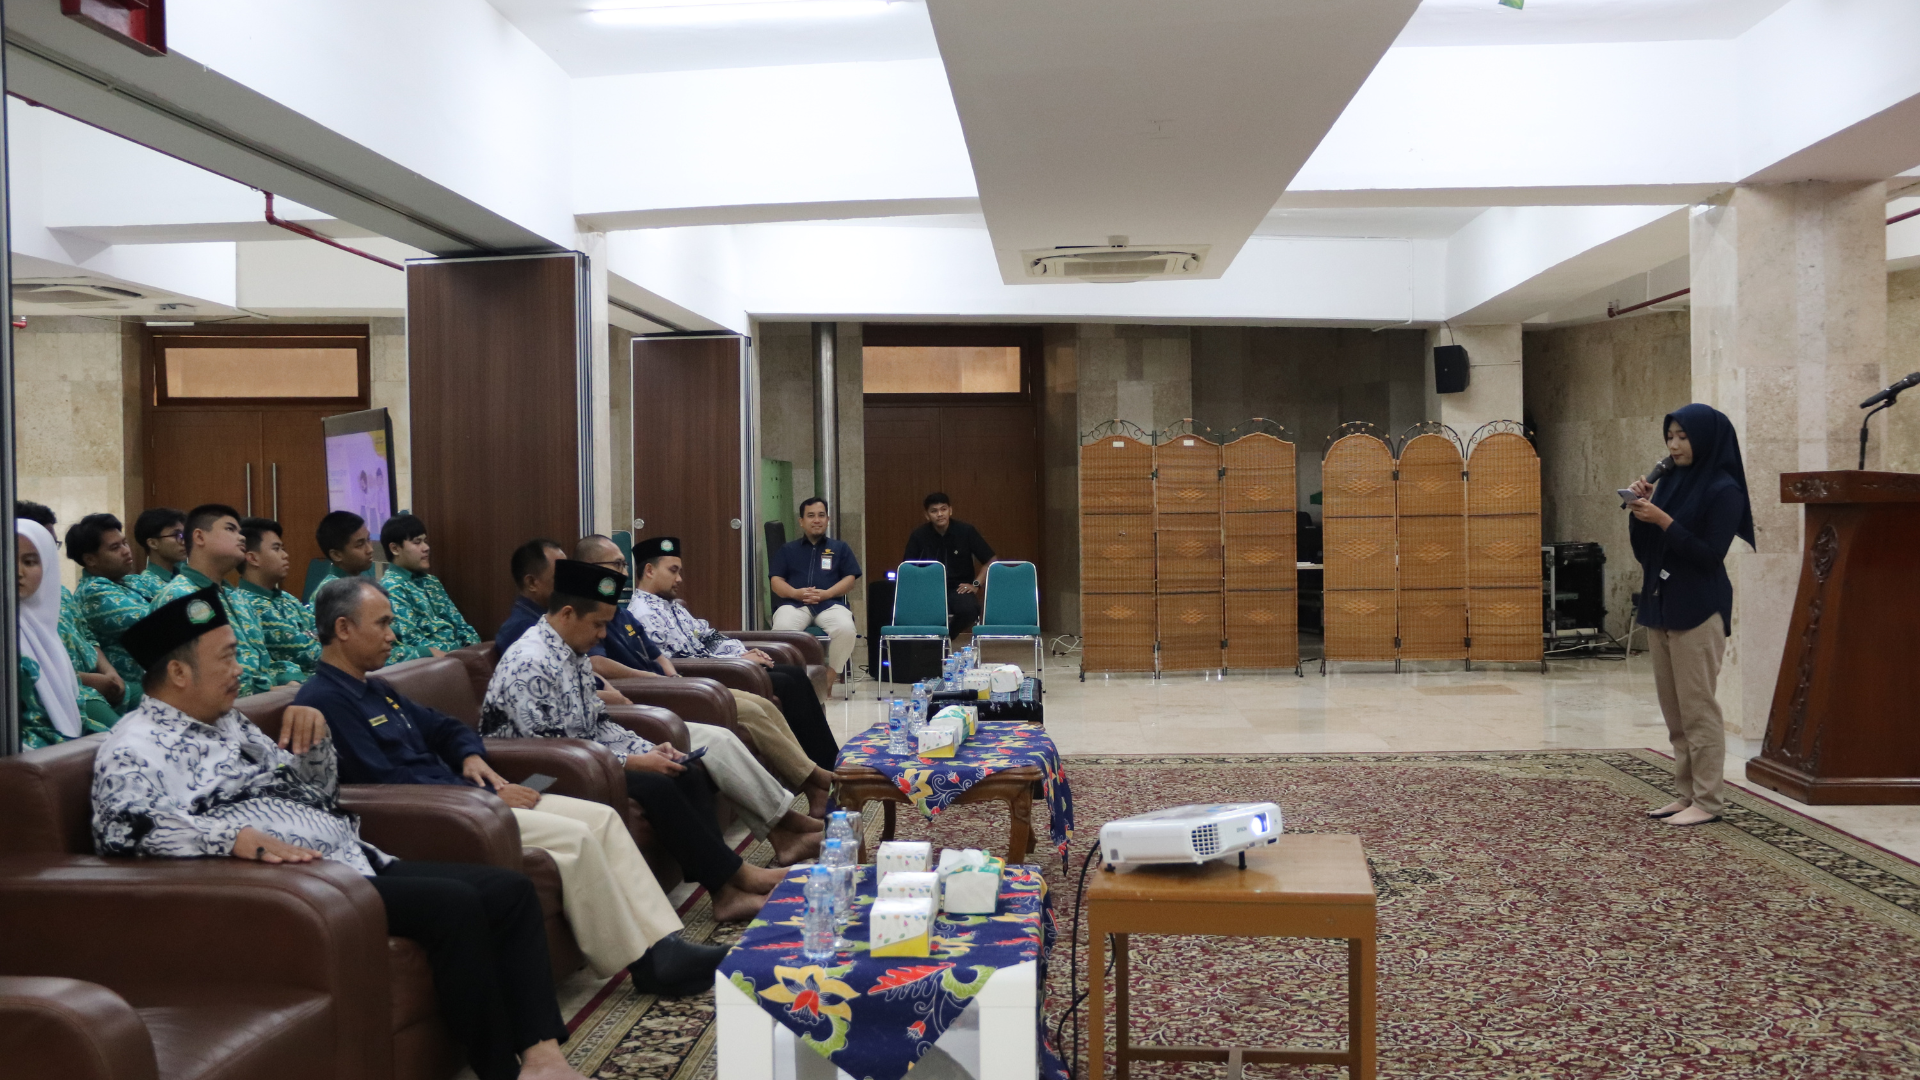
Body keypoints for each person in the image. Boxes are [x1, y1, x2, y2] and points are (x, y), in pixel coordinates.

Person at [92, 588, 588, 1080]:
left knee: (510, 891)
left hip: (351, 856)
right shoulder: (133, 746)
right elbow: (122, 826)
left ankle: (543, 1057)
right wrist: (229, 839)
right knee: (455, 906)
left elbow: (316, 794)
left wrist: (315, 744)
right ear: (179, 673)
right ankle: (499, 1071)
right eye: (227, 657)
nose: (240, 669)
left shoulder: (231, 724)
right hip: (298, 886)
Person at [298, 577, 726, 995]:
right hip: (447, 814)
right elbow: (388, 782)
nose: (393, 635)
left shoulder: (376, 688)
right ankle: (647, 963)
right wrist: (487, 797)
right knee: (578, 837)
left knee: (604, 819)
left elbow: (446, 727)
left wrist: (469, 755)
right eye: (383, 623)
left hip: (468, 796)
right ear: (343, 628)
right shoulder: (325, 701)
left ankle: (664, 943)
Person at [480, 560, 813, 920]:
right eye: (598, 624)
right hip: (535, 775)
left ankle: (727, 889)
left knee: (684, 769)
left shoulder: (569, 651)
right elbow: (550, 751)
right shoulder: (531, 662)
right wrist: (635, 763)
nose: (603, 636)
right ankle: (736, 879)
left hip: (580, 758)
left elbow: (598, 724)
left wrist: (649, 749)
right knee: (657, 785)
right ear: (567, 614)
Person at [573, 534, 837, 816]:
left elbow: (693, 642)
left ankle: (820, 773)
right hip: (675, 687)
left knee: (774, 692)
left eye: (625, 565)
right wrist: (728, 663)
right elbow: (605, 662)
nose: (624, 573)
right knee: (774, 691)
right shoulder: (630, 612)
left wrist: (740, 653)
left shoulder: (638, 611)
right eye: (617, 565)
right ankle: (818, 777)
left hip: (682, 682)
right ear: (649, 571)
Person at [1626, 403, 1754, 829]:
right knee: (1675, 713)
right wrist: (1641, 511)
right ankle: (1686, 794)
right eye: (1670, 436)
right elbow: (1646, 551)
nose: (1674, 445)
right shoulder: (1671, 483)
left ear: (1705, 439)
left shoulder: (1724, 489)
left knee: (1698, 710)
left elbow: (1708, 555)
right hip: (1663, 604)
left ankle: (1709, 800)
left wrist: (1664, 520)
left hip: (1698, 608)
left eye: (1683, 436)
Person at [628, 537, 841, 771]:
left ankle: (829, 762)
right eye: (673, 571)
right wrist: (736, 661)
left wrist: (743, 651)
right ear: (649, 571)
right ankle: (824, 767)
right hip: (701, 679)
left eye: (679, 571)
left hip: (721, 667)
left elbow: (708, 636)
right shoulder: (642, 614)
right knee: (787, 683)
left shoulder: (673, 606)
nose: (679, 579)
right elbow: (674, 660)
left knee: (794, 675)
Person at [149, 504, 303, 694]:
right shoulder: (180, 596)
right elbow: (199, 678)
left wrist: (290, 681)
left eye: (239, 531)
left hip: (257, 699)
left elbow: (263, 664)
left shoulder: (237, 597)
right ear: (199, 537)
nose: (242, 537)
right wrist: (272, 691)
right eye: (230, 529)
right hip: (215, 704)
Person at [17, 502, 127, 717]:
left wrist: (109, 672)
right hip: (72, 690)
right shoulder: (16, 608)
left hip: (98, 680)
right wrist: (91, 680)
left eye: (53, 543)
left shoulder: (61, 593)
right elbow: (30, 671)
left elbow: (87, 637)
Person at [768, 498, 861, 676]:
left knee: (846, 629)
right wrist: (795, 593)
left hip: (830, 605)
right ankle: (794, 678)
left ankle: (830, 677)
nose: (817, 520)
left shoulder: (840, 548)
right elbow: (776, 581)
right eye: (811, 516)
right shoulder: (788, 550)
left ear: (828, 519)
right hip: (794, 605)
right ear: (801, 521)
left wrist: (827, 594)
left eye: (821, 515)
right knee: (782, 629)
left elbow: (850, 579)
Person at [69, 512, 150, 709]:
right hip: (126, 695)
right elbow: (158, 623)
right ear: (90, 559)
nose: (126, 551)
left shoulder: (130, 581)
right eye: (115, 547)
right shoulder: (92, 591)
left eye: (125, 543)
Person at [380, 512, 480, 659]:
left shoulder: (431, 582)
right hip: (434, 664)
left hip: (458, 657)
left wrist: (472, 648)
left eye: (425, 541)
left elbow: (461, 625)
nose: (426, 547)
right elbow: (413, 642)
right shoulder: (391, 588)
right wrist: (457, 653)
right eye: (417, 542)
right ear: (395, 549)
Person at [234, 517, 322, 680]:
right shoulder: (248, 603)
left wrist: (314, 636)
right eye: (277, 549)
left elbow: (324, 631)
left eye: (283, 549)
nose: (285, 555)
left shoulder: (286, 598)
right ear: (252, 558)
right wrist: (313, 636)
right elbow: (310, 654)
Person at [903, 492, 996, 638]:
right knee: (910, 610)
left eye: (943, 509)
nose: (940, 514)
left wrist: (976, 584)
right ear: (927, 515)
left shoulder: (966, 531)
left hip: (958, 589)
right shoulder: (919, 535)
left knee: (970, 610)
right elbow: (907, 567)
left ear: (950, 510)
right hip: (929, 589)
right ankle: (925, 644)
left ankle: (944, 639)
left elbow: (990, 560)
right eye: (934, 511)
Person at [498, 538, 567, 654]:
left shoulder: (552, 617)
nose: (568, 583)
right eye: (561, 577)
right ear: (531, 583)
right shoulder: (520, 629)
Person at [309, 510, 377, 601]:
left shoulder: (363, 582)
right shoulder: (331, 595)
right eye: (360, 545)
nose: (370, 549)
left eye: (368, 539)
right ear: (336, 555)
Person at [127, 507, 187, 600]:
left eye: (184, 535)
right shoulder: (144, 585)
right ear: (153, 543)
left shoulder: (186, 576)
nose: (184, 542)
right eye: (176, 535)